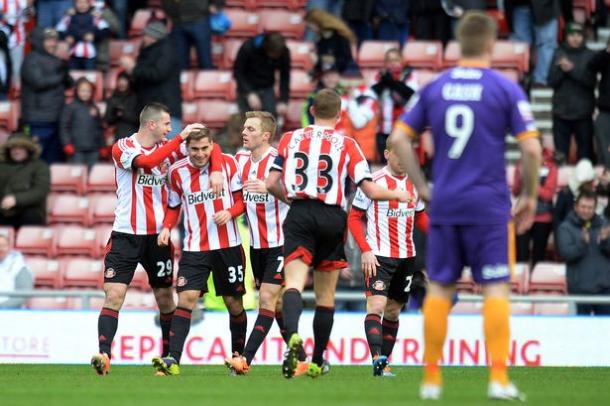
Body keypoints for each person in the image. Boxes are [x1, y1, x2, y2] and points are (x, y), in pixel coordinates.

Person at [388, 12, 541, 400]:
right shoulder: (504, 88)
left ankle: (432, 381)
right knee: (495, 290)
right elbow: (531, 147)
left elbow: (401, 138)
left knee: (439, 290)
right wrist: (530, 196)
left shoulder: (435, 86)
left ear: (458, 43)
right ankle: (498, 379)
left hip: (446, 203)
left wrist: (423, 187)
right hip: (489, 207)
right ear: (491, 44)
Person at [265, 89, 410, 379]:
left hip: (300, 213)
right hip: (332, 216)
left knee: (293, 282)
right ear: (339, 114)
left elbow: (270, 183)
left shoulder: (289, 138)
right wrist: (396, 192)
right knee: (326, 295)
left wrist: (291, 200)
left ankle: (293, 336)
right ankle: (318, 359)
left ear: (311, 110)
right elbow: (368, 189)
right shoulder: (348, 143)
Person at [90, 103, 224, 376]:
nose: (169, 129)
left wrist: (218, 167)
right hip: (126, 234)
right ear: (151, 124)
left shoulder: (171, 148)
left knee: (165, 298)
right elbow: (148, 163)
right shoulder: (123, 148)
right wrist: (179, 138)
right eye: (165, 124)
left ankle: (167, 359)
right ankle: (104, 354)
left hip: (158, 238)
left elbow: (211, 148)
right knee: (114, 294)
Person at [152, 127, 247, 376]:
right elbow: (173, 206)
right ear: (186, 148)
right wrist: (166, 227)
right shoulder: (176, 172)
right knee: (186, 300)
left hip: (228, 246)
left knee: (233, 303)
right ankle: (172, 360)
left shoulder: (228, 164)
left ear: (212, 145)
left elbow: (242, 201)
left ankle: (238, 359)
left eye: (205, 148)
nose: (200, 153)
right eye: (194, 149)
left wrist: (230, 213)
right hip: (194, 248)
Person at [224, 111, 307, 376]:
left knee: (267, 299)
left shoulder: (281, 163)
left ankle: (244, 359)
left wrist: (271, 188)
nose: (244, 132)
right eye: (244, 128)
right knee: (277, 306)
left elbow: (299, 201)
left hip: (281, 243)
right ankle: (303, 359)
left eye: (250, 129)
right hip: (257, 246)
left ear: (266, 135)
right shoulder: (240, 160)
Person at [348, 138, 429, 377]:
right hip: (378, 256)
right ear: (387, 154)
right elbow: (353, 218)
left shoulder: (415, 183)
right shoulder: (373, 182)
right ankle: (376, 358)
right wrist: (365, 249)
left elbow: (421, 217)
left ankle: (383, 364)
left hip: (406, 256)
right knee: (377, 305)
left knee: (393, 311)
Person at [120, 21, 182, 138]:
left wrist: (133, 69)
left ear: (153, 36)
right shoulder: (149, 51)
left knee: (170, 152)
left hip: (165, 111)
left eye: (146, 35)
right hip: (152, 111)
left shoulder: (166, 50)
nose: (143, 38)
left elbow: (158, 74)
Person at [20, 27, 73, 164]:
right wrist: (60, 76)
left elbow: (69, 84)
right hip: (37, 120)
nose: (53, 44)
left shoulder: (57, 60)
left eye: (55, 40)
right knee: (36, 159)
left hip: (57, 119)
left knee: (54, 161)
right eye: (49, 40)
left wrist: (65, 72)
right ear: (39, 41)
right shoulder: (31, 60)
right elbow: (38, 83)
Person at [548, 22, 596, 163]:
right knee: (560, 157)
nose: (575, 38)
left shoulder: (591, 55)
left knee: (585, 156)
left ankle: (586, 185)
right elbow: (551, 81)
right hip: (561, 114)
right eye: (571, 35)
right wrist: (562, 70)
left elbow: (591, 81)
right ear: (566, 36)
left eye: (578, 35)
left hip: (583, 114)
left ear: (583, 36)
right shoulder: (558, 53)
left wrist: (571, 70)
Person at [556, 190, 610, 315]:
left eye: (590, 207)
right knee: (578, 333)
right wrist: (582, 244)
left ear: (595, 208)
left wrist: (605, 241)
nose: (586, 210)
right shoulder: (566, 227)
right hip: (578, 292)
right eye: (583, 207)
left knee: (605, 333)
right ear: (576, 206)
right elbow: (566, 254)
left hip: (604, 291)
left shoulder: (605, 225)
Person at [512, 146, 558, 267]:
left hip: (543, 218)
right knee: (520, 258)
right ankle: (521, 285)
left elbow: (547, 195)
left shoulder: (550, 166)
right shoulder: (520, 164)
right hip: (523, 216)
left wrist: (530, 180)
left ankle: (535, 284)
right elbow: (515, 192)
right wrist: (520, 177)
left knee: (539, 257)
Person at [370, 48, 417, 163]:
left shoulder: (409, 75)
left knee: (402, 164)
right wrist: (385, 81)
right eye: (389, 60)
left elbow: (410, 94)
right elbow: (371, 93)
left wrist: (390, 82)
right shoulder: (378, 75)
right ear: (385, 63)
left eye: (396, 60)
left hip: (402, 127)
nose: (393, 63)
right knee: (384, 164)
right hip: (382, 128)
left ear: (402, 61)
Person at [233, 32, 290, 118]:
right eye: (273, 55)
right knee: (246, 122)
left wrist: (283, 100)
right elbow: (238, 72)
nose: (275, 58)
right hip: (246, 87)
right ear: (266, 48)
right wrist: (249, 93)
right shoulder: (248, 48)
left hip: (267, 88)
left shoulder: (284, 52)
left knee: (270, 121)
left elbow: (285, 76)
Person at [0, 133, 50, 229]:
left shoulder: (40, 166)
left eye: (20, 148)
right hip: (3, 210)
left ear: (28, 149)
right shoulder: (2, 166)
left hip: (29, 211)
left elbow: (40, 191)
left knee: (31, 216)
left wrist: (16, 199)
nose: (17, 151)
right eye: (13, 148)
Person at [506, 0, 559, 86]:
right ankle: (521, 78)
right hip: (519, 5)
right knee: (521, 45)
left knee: (545, 44)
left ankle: (540, 81)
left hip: (546, 7)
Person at [162, 0, 222, 70]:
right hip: (177, 22)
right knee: (180, 64)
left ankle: (208, 80)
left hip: (199, 20)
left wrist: (216, 5)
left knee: (205, 61)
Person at [60, 77, 104, 169]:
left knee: (92, 177)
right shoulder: (70, 107)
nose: (86, 93)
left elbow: (99, 128)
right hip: (76, 150)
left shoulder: (95, 108)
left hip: (93, 150)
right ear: (77, 91)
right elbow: (63, 127)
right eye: (83, 90)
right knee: (77, 175)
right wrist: (66, 143)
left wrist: (102, 146)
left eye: (88, 91)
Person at [55, 0, 110, 70]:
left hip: (90, 54)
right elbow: (59, 30)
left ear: (89, 4)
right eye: (79, 3)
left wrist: (94, 36)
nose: (82, 5)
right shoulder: (69, 17)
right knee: (73, 76)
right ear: (75, 4)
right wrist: (66, 37)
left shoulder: (94, 16)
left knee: (90, 77)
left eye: (84, 3)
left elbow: (105, 30)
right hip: (73, 54)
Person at [305, 8, 359, 75]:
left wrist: (319, 60)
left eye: (310, 27)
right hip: (329, 73)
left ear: (317, 23)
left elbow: (344, 61)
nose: (311, 30)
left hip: (343, 73)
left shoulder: (340, 37)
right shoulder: (321, 38)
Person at [553, 158, 596, 233]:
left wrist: (588, 230)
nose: (588, 184)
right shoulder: (565, 193)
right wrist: (560, 235)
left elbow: (593, 218)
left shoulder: (591, 194)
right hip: (567, 233)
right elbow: (557, 217)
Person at [588, 38, 610, 168]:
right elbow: (591, 66)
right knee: (604, 150)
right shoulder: (606, 58)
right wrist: (607, 53)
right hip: (605, 111)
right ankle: (606, 182)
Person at [0, 234, 33, 309]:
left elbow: (24, 294)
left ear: (9, 248)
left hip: (10, 312)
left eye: (3, 245)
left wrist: (2, 306)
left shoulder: (19, 267)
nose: (0, 249)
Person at [104, 71, 139, 140]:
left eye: (124, 80)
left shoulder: (135, 98)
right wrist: (115, 113)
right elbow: (108, 120)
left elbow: (138, 119)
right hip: (118, 136)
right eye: (120, 80)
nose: (122, 83)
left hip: (133, 135)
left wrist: (123, 113)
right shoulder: (112, 98)